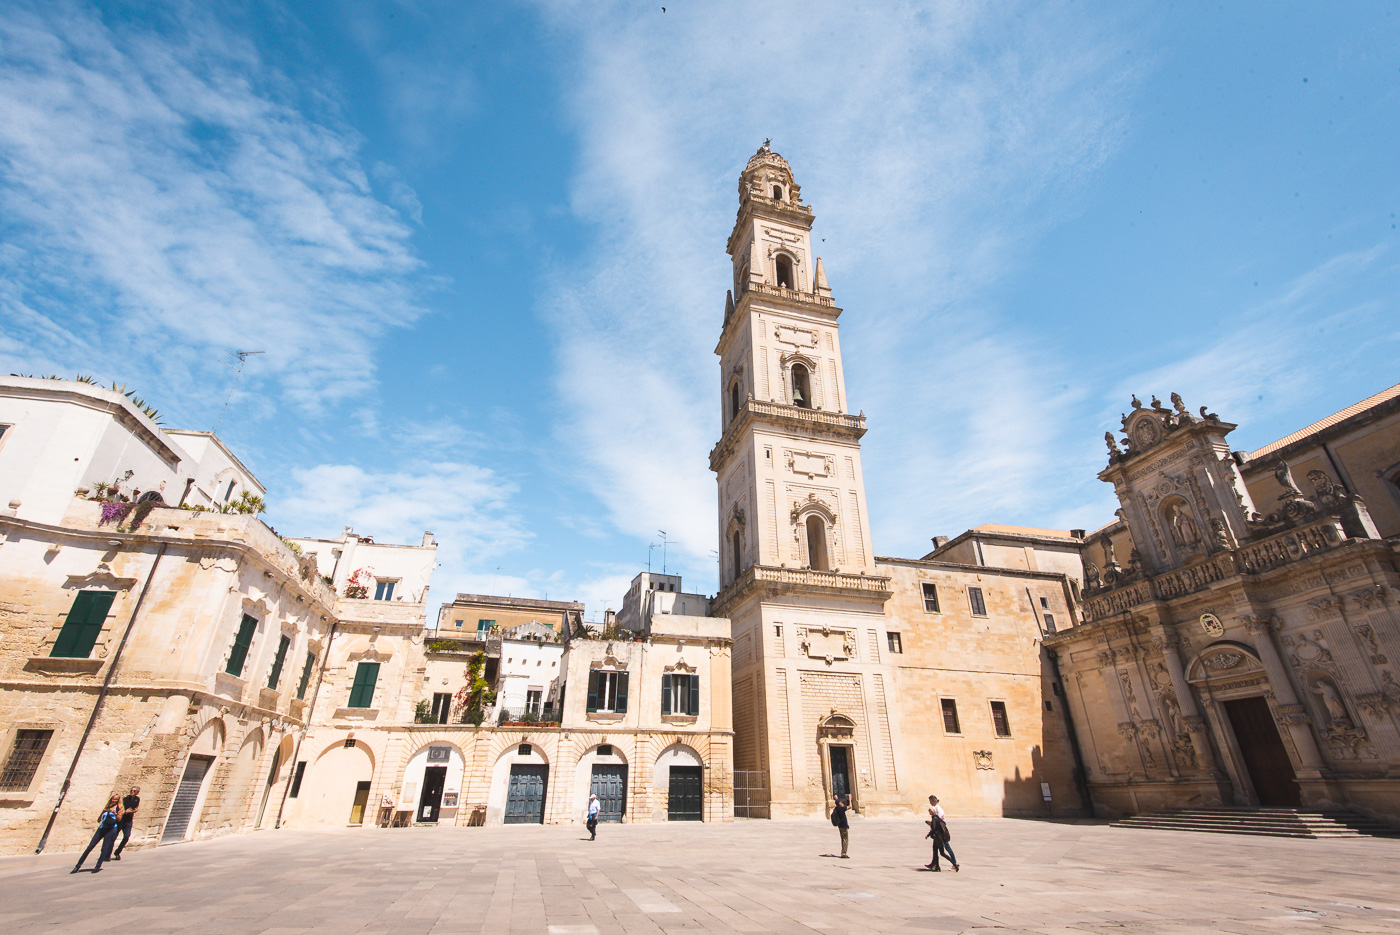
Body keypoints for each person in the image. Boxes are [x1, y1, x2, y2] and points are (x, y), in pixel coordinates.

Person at [72, 795, 122, 873]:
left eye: (116, 799)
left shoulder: (119, 808)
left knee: (104, 848)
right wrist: (104, 813)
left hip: (111, 829)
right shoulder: (107, 807)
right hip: (102, 828)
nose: (114, 801)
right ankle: (78, 865)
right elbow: (99, 819)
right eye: (113, 799)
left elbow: (119, 819)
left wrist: (114, 813)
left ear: (118, 801)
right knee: (89, 847)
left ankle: (98, 866)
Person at [925, 795, 959, 872]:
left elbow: (939, 823)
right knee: (935, 849)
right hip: (938, 834)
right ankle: (934, 864)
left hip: (940, 834)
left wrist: (930, 829)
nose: (930, 803)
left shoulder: (937, 810)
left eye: (930, 801)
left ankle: (955, 864)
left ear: (933, 801)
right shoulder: (937, 809)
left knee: (945, 850)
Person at [112, 785, 140, 860]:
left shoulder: (137, 799)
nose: (132, 792)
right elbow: (119, 810)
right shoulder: (125, 799)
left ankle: (117, 852)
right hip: (121, 819)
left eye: (134, 791)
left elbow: (136, 808)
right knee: (114, 836)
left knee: (126, 837)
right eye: (131, 790)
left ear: (137, 792)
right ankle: (107, 854)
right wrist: (125, 811)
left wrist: (134, 811)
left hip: (129, 820)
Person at [830, 793, 850, 858]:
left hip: (840, 826)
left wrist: (836, 799)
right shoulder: (841, 809)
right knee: (845, 839)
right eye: (841, 802)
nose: (842, 803)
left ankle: (843, 852)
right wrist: (850, 799)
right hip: (844, 826)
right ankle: (844, 853)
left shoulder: (837, 808)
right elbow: (850, 807)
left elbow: (838, 803)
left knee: (843, 839)